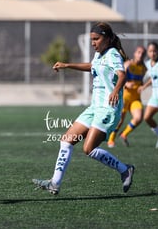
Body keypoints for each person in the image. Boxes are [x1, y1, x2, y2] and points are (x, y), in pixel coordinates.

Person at [33, 22, 135, 195]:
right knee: (66, 140)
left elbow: (122, 74)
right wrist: (67, 65)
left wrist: (116, 91)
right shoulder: (99, 55)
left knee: (88, 149)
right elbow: (92, 66)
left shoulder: (112, 54)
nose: (93, 43)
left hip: (108, 109)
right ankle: (54, 183)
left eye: (96, 39)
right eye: (91, 40)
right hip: (94, 107)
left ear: (108, 39)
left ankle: (125, 169)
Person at [107, 46, 147, 148]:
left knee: (138, 118)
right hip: (125, 97)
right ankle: (111, 140)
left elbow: (140, 81)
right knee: (120, 121)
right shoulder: (127, 65)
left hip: (135, 98)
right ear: (135, 53)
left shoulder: (144, 68)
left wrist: (142, 86)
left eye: (142, 53)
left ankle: (124, 134)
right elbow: (118, 78)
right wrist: (126, 84)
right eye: (138, 52)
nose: (140, 55)